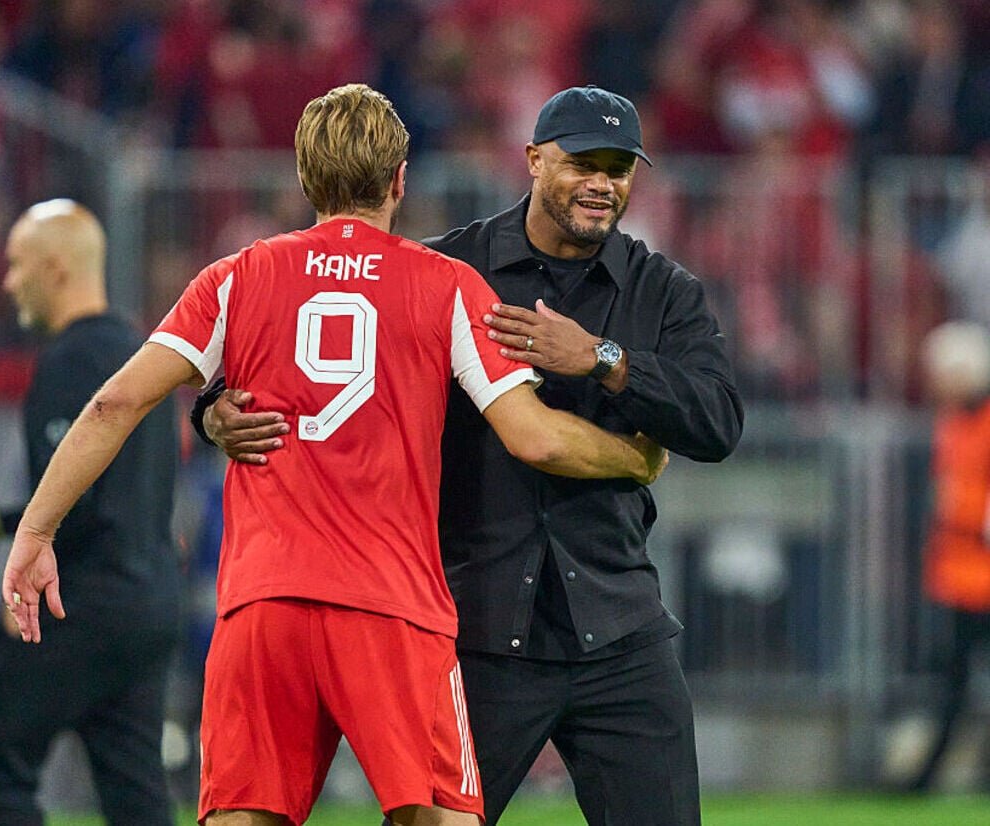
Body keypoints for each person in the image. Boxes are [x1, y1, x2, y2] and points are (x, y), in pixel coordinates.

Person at [0, 83, 666, 826]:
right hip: (391, 606)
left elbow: (113, 405)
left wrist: (36, 531)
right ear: (400, 179)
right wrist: (633, 458)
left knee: (242, 816)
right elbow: (533, 436)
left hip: (264, 603)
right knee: (440, 816)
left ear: (304, 177)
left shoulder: (236, 278)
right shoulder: (446, 284)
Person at [198, 85, 744, 825]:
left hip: (618, 625)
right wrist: (213, 411)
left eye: (619, 168)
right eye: (583, 163)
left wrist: (604, 359)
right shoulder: (447, 268)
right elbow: (320, 365)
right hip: (479, 627)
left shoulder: (663, 290)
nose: (602, 183)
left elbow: (718, 422)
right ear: (534, 160)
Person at [0, 199, 182, 825]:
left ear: (57, 269)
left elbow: (76, 505)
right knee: (134, 792)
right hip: (147, 605)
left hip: (76, 602)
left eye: (18, 264)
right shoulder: (143, 353)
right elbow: (119, 496)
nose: (9, 282)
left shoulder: (69, 360)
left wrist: (20, 578)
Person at [908, 321, 990, 792]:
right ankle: (932, 775)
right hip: (959, 574)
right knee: (953, 683)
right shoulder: (954, 422)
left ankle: (928, 776)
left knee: (954, 684)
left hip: (976, 571)